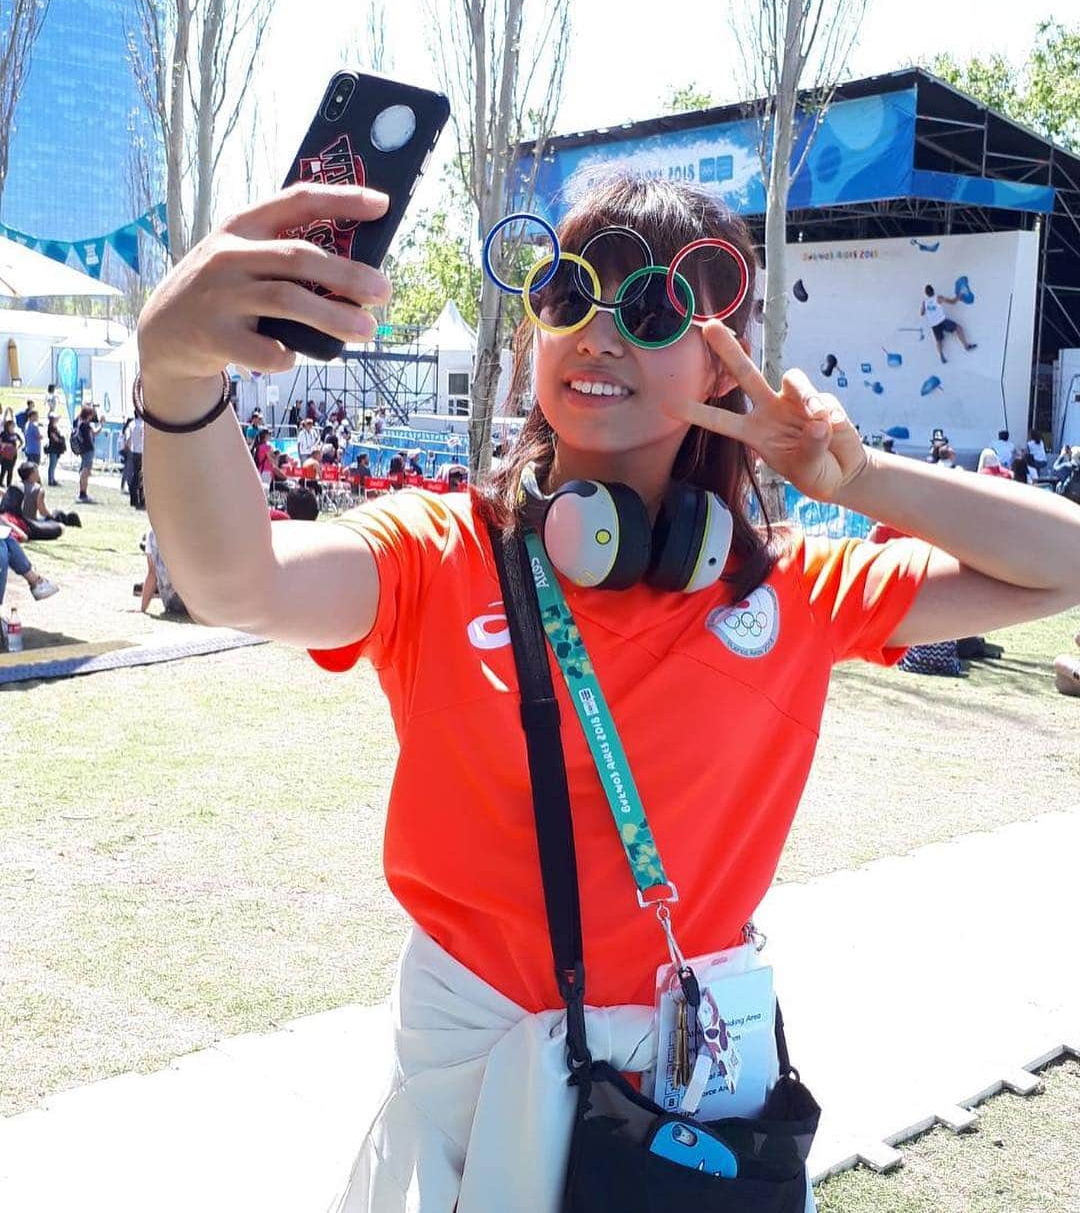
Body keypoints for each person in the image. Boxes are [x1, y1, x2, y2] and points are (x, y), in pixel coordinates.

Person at [136, 174, 1080, 1212]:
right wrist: (177, 374)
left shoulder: (793, 585)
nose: (596, 332)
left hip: (686, 1115)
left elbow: (1066, 565)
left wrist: (858, 485)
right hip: (468, 1108)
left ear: (725, 363)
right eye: (565, 295)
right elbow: (238, 582)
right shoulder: (437, 553)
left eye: (651, 310)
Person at [919, 284, 976, 363]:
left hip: (934, 325)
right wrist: (959, 296)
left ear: (926, 293)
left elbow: (921, 313)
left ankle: (941, 356)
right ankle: (966, 346)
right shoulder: (938, 298)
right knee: (958, 328)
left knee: (939, 341)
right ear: (933, 290)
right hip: (942, 321)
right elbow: (952, 302)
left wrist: (926, 308)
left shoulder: (924, 302)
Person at [140, 527, 187, 617]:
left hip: (194, 607)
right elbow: (152, 573)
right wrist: (143, 608)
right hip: (171, 605)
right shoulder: (151, 535)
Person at [17, 462, 79, 528]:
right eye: (37, 472)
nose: (38, 474)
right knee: (59, 514)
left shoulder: (14, 486)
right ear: (32, 474)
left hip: (16, 521)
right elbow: (42, 512)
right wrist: (52, 517)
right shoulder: (37, 489)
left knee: (57, 513)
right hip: (30, 524)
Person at [73, 404, 101, 503]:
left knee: (84, 471)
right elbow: (95, 433)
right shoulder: (85, 424)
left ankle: (83, 492)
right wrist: (101, 424)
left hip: (83, 450)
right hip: (88, 449)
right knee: (85, 472)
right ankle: (83, 493)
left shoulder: (79, 422)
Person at [1, 411, 22, 489]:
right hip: (5, 454)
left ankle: (8, 484)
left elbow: (21, 442)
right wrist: (6, 445)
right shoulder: (4, 434)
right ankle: (0, 482)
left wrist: (17, 447)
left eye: (13, 425)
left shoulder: (15, 434)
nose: (13, 427)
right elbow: (1, 442)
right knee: (3, 469)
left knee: (11, 470)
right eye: (11, 425)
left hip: (13, 454)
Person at [129, 413, 145, 508]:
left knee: (135, 476)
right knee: (141, 477)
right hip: (141, 451)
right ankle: (142, 500)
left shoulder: (132, 424)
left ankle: (134, 499)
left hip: (134, 451)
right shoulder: (142, 424)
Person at [45, 413, 66, 487]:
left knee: (54, 465)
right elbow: (54, 437)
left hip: (56, 448)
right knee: (52, 465)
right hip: (53, 448)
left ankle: (53, 478)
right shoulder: (51, 428)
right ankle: (50, 480)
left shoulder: (55, 427)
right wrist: (60, 440)